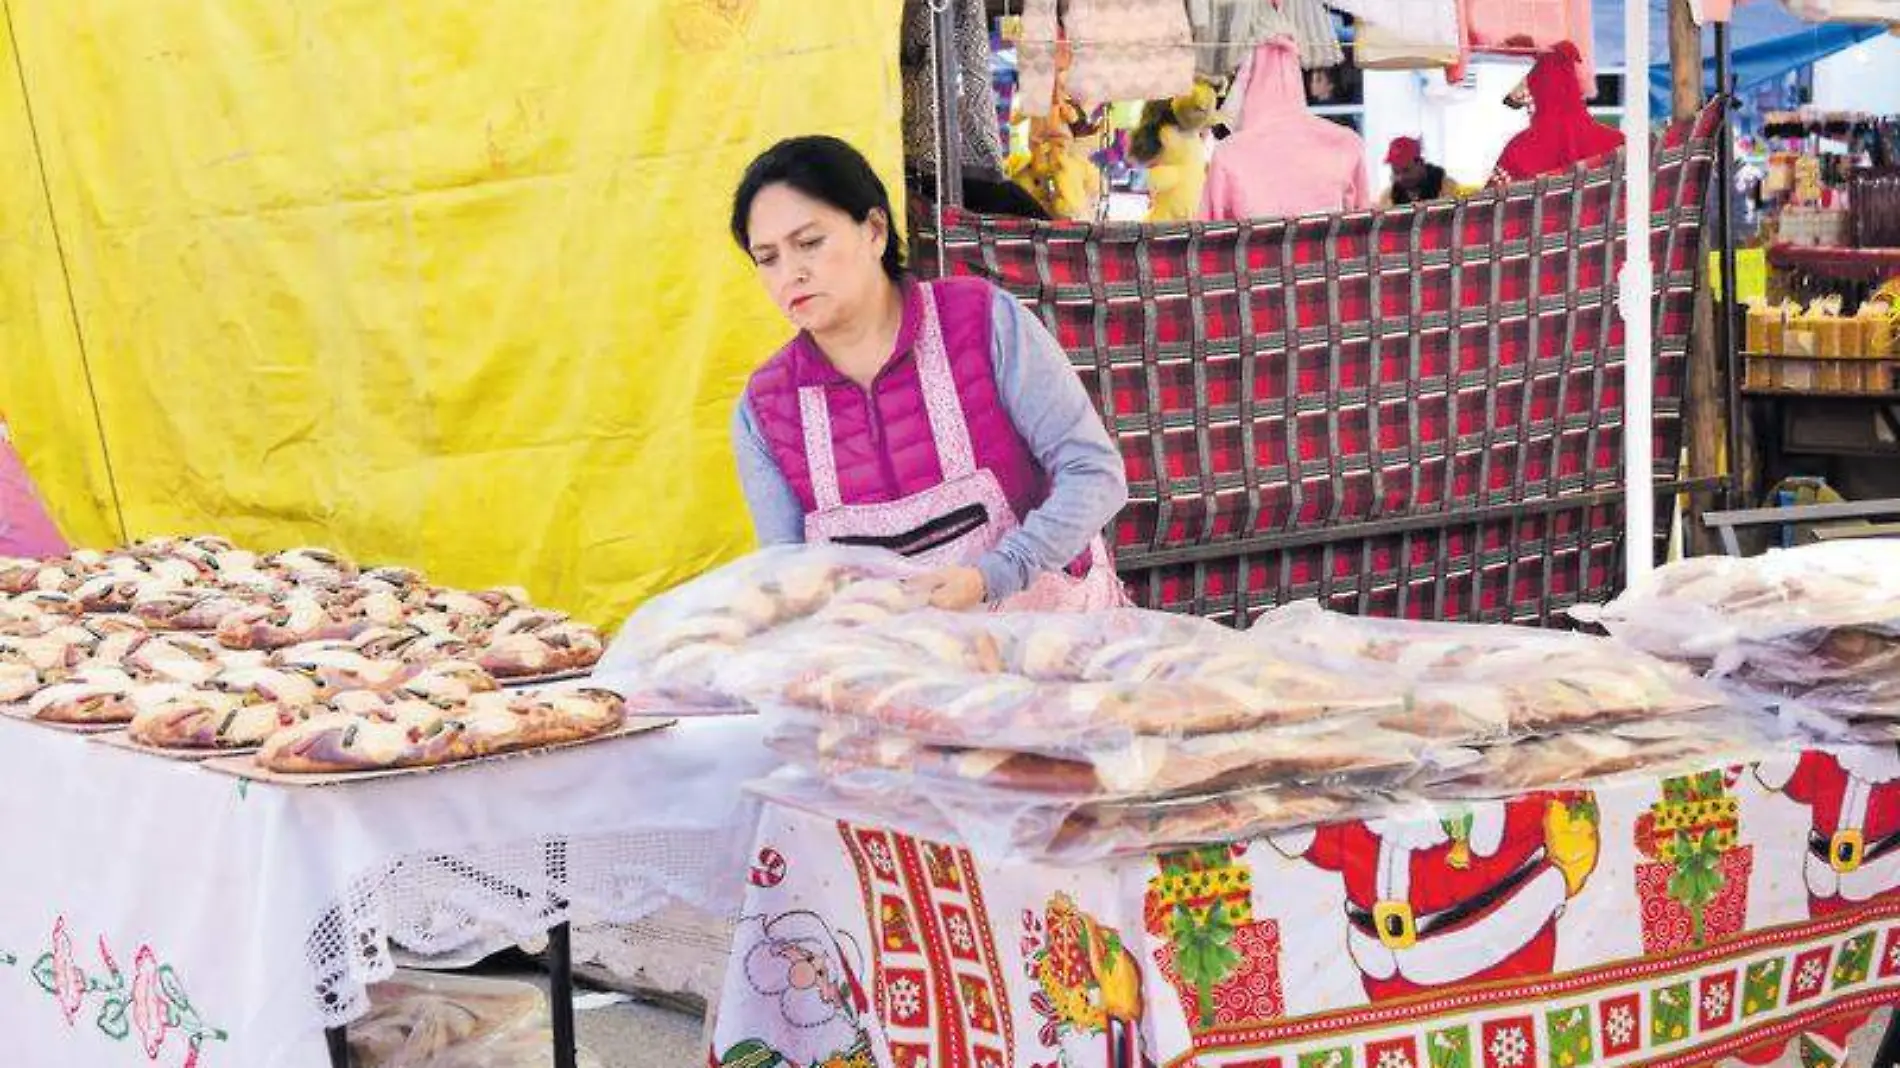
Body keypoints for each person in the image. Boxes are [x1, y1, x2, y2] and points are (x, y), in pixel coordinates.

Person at [727, 136, 1130, 612]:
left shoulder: (981, 320)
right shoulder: (764, 408)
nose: (789, 272)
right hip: (895, 667)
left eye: (810, 243)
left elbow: (1095, 474)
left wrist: (994, 574)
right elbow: (788, 573)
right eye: (768, 258)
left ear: (875, 230)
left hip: (1051, 640)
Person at [1489, 41, 1625, 185]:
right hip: (1605, 206)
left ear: (1538, 93)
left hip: (1543, 207)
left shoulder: (1517, 150)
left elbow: (1492, 200)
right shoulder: (1616, 142)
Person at [1378, 136, 1472, 207]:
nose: (1401, 177)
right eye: (1396, 172)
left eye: (1406, 170)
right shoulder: (1387, 197)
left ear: (1421, 164)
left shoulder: (1448, 188)